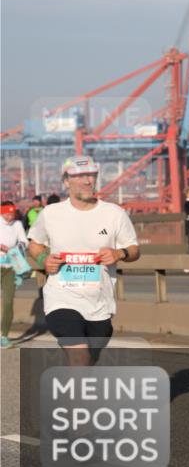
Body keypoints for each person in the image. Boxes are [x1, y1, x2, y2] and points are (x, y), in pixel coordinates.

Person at [25, 156, 140, 366]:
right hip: (61, 298)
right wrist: (43, 259)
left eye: (91, 175)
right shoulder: (51, 213)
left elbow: (134, 250)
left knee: (87, 362)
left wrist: (119, 253)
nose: (87, 181)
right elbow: (34, 244)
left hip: (99, 303)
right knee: (80, 356)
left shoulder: (114, 213)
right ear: (66, 181)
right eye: (79, 176)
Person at [1, 201, 29, 348]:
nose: (10, 216)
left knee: (8, 302)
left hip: (10, 268)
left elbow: (24, 241)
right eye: (7, 214)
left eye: (12, 214)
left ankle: (4, 336)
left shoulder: (17, 224)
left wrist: (16, 248)